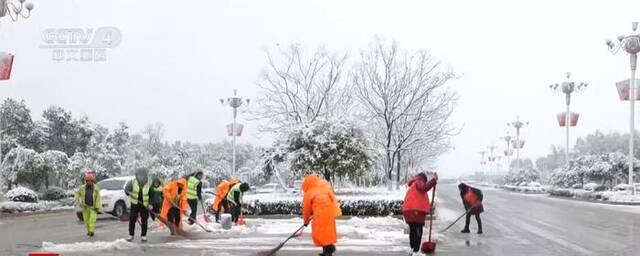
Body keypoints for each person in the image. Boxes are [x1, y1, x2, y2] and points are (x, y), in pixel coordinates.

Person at [301, 175, 341, 256]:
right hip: (330, 212)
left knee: (320, 233)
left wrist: (305, 221)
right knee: (327, 232)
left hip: (320, 214)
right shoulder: (324, 187)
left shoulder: (309, 192)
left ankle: (329, 249)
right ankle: (327, 249)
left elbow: (306, 210)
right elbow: (333, 199)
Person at [402, 172, 438, 255]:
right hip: (416, 212)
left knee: (413, 231)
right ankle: (416, 251)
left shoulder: (413, 185)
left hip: (409, 211)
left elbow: (418, 200)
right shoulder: (419, 182)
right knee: (418, 230)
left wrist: (429, 208)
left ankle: (412, 249)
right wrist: (434, 180)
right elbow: (424, 188)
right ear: (423, 179)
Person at [124, 168, 152, 242]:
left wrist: (151, 204)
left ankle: (143, 235)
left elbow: (152, 195)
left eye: (141, 175)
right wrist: (128, 192)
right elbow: (126, 190)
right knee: (132, 219)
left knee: (144, 220)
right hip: (135, 204)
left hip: (144, 205)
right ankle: (131, 235)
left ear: (144, 176)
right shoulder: (132, 182)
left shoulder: (148, 183)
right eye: (139, 175)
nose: (140, 177)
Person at [74, 172, 101, 237]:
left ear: (93, 181)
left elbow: (98, 198)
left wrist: (97, 206)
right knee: (86, 220)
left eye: (91, 181)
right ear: (86, 181)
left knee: (92, 220)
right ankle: (88, 231)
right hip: (85, 207)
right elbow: (77, 193)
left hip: (93, 207)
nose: (89, 182)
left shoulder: (96, 188)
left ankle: (91, 231)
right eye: (87, 181)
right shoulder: (82, 188)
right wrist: (77, 199)